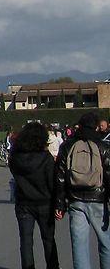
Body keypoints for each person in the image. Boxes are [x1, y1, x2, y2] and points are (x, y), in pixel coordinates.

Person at [55, 112, 110, 269]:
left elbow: (60, 177)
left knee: (79, 246)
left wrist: (60, 204)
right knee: (106, 243)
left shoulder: (67, 146)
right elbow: (108, 174)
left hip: (75, 199)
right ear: (96, 126)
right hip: (99, 198)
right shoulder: (103, 146)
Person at [10, 121, 60, 269]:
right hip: (44, 202)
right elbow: (53, 183)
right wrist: (58, 203)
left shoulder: (16, 158)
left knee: (26, 241)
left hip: (24, 203)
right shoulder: (46, 158)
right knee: (48, 239)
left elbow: (14, 173)